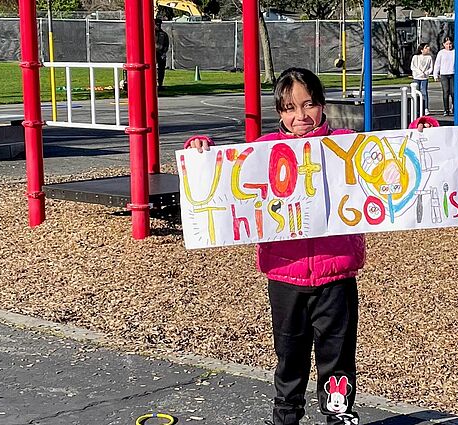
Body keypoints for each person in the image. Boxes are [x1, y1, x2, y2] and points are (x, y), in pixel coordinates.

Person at [185, 68, 437, 425]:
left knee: (338, 357)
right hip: (284, 276)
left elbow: (387, 160)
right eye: (290, 108)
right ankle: (286, 417)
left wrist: (420, 134)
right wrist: (200, 151)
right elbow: (225, 175)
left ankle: (339, 416)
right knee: (289, 355)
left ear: (322, 105)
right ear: (279, 112)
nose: (300, 116)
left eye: (308, 105)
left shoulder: (345, 144)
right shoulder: (262, 151)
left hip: (337, 274)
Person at [433, 37, 456, 116]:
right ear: (443, 44)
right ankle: (446, 109)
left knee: (453, 92)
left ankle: (454, 107)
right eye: (447, 44)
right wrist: (435, 74)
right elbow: (437, 64)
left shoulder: (455, 52)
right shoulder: (441, 53)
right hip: (444, 75)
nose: (449, 46)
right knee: (446, 92)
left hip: (453, 74)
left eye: (450, 44)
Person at [410, 43, 434, 115]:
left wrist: (426, 73)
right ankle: (416, 107)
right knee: (416, 92)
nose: (428, 48)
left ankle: (425, 108)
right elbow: (413, 67)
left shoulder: (429, 57)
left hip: (424, 78)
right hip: (417, 77)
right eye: (426, 47)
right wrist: (419, 72)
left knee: (424, 92)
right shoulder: (415, 57)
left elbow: (431, 67)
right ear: (421, 50)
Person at [154, 18, 170, 89]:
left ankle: (160, 84)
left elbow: (166, 45)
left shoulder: (163, 34)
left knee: (161, 70)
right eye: (156, 24)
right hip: (153, 54)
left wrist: (163, 53)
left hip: (160, 53)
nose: (158, 26)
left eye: (159, 24)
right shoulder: (150, 33)